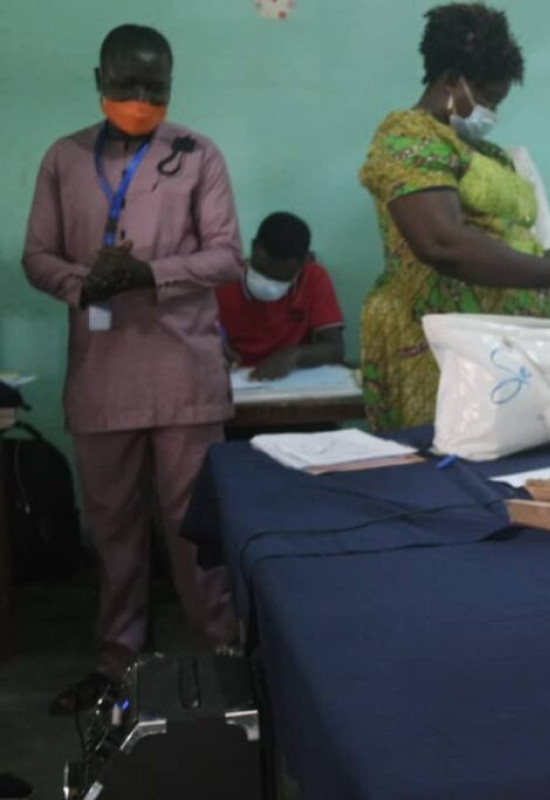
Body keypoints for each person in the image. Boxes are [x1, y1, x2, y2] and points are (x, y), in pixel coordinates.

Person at [21, 24, 240, 713]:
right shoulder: (63, 158)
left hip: (184, 375)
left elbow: (227, 256)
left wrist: (150, 272)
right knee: (113, 533)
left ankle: (223, 664)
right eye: (126, 86)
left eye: (156, 87)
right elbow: (37, 255)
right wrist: (81, 283)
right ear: (98, 80)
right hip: (103, 374)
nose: (141, 99)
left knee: (195, 532)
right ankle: (117, 666)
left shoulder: (198, 154)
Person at [358, 2, 550, 431]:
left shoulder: (486, 153)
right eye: (488, 98)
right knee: (446, 473)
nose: (492, 112)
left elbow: (520, 243)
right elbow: (441, 242)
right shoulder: (408, 137)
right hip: (437, 344)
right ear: (450, 81)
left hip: (503, 351)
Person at [216, 211, 345, 380]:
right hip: (238, 377)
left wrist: (295, 355)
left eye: (280, 278)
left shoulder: (313, 278)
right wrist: (216, 347)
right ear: (254, 248)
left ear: (303, 262)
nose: (268, 284)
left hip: (291, 378)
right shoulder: (223, 279)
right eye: (261, 271)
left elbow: (335, 348)